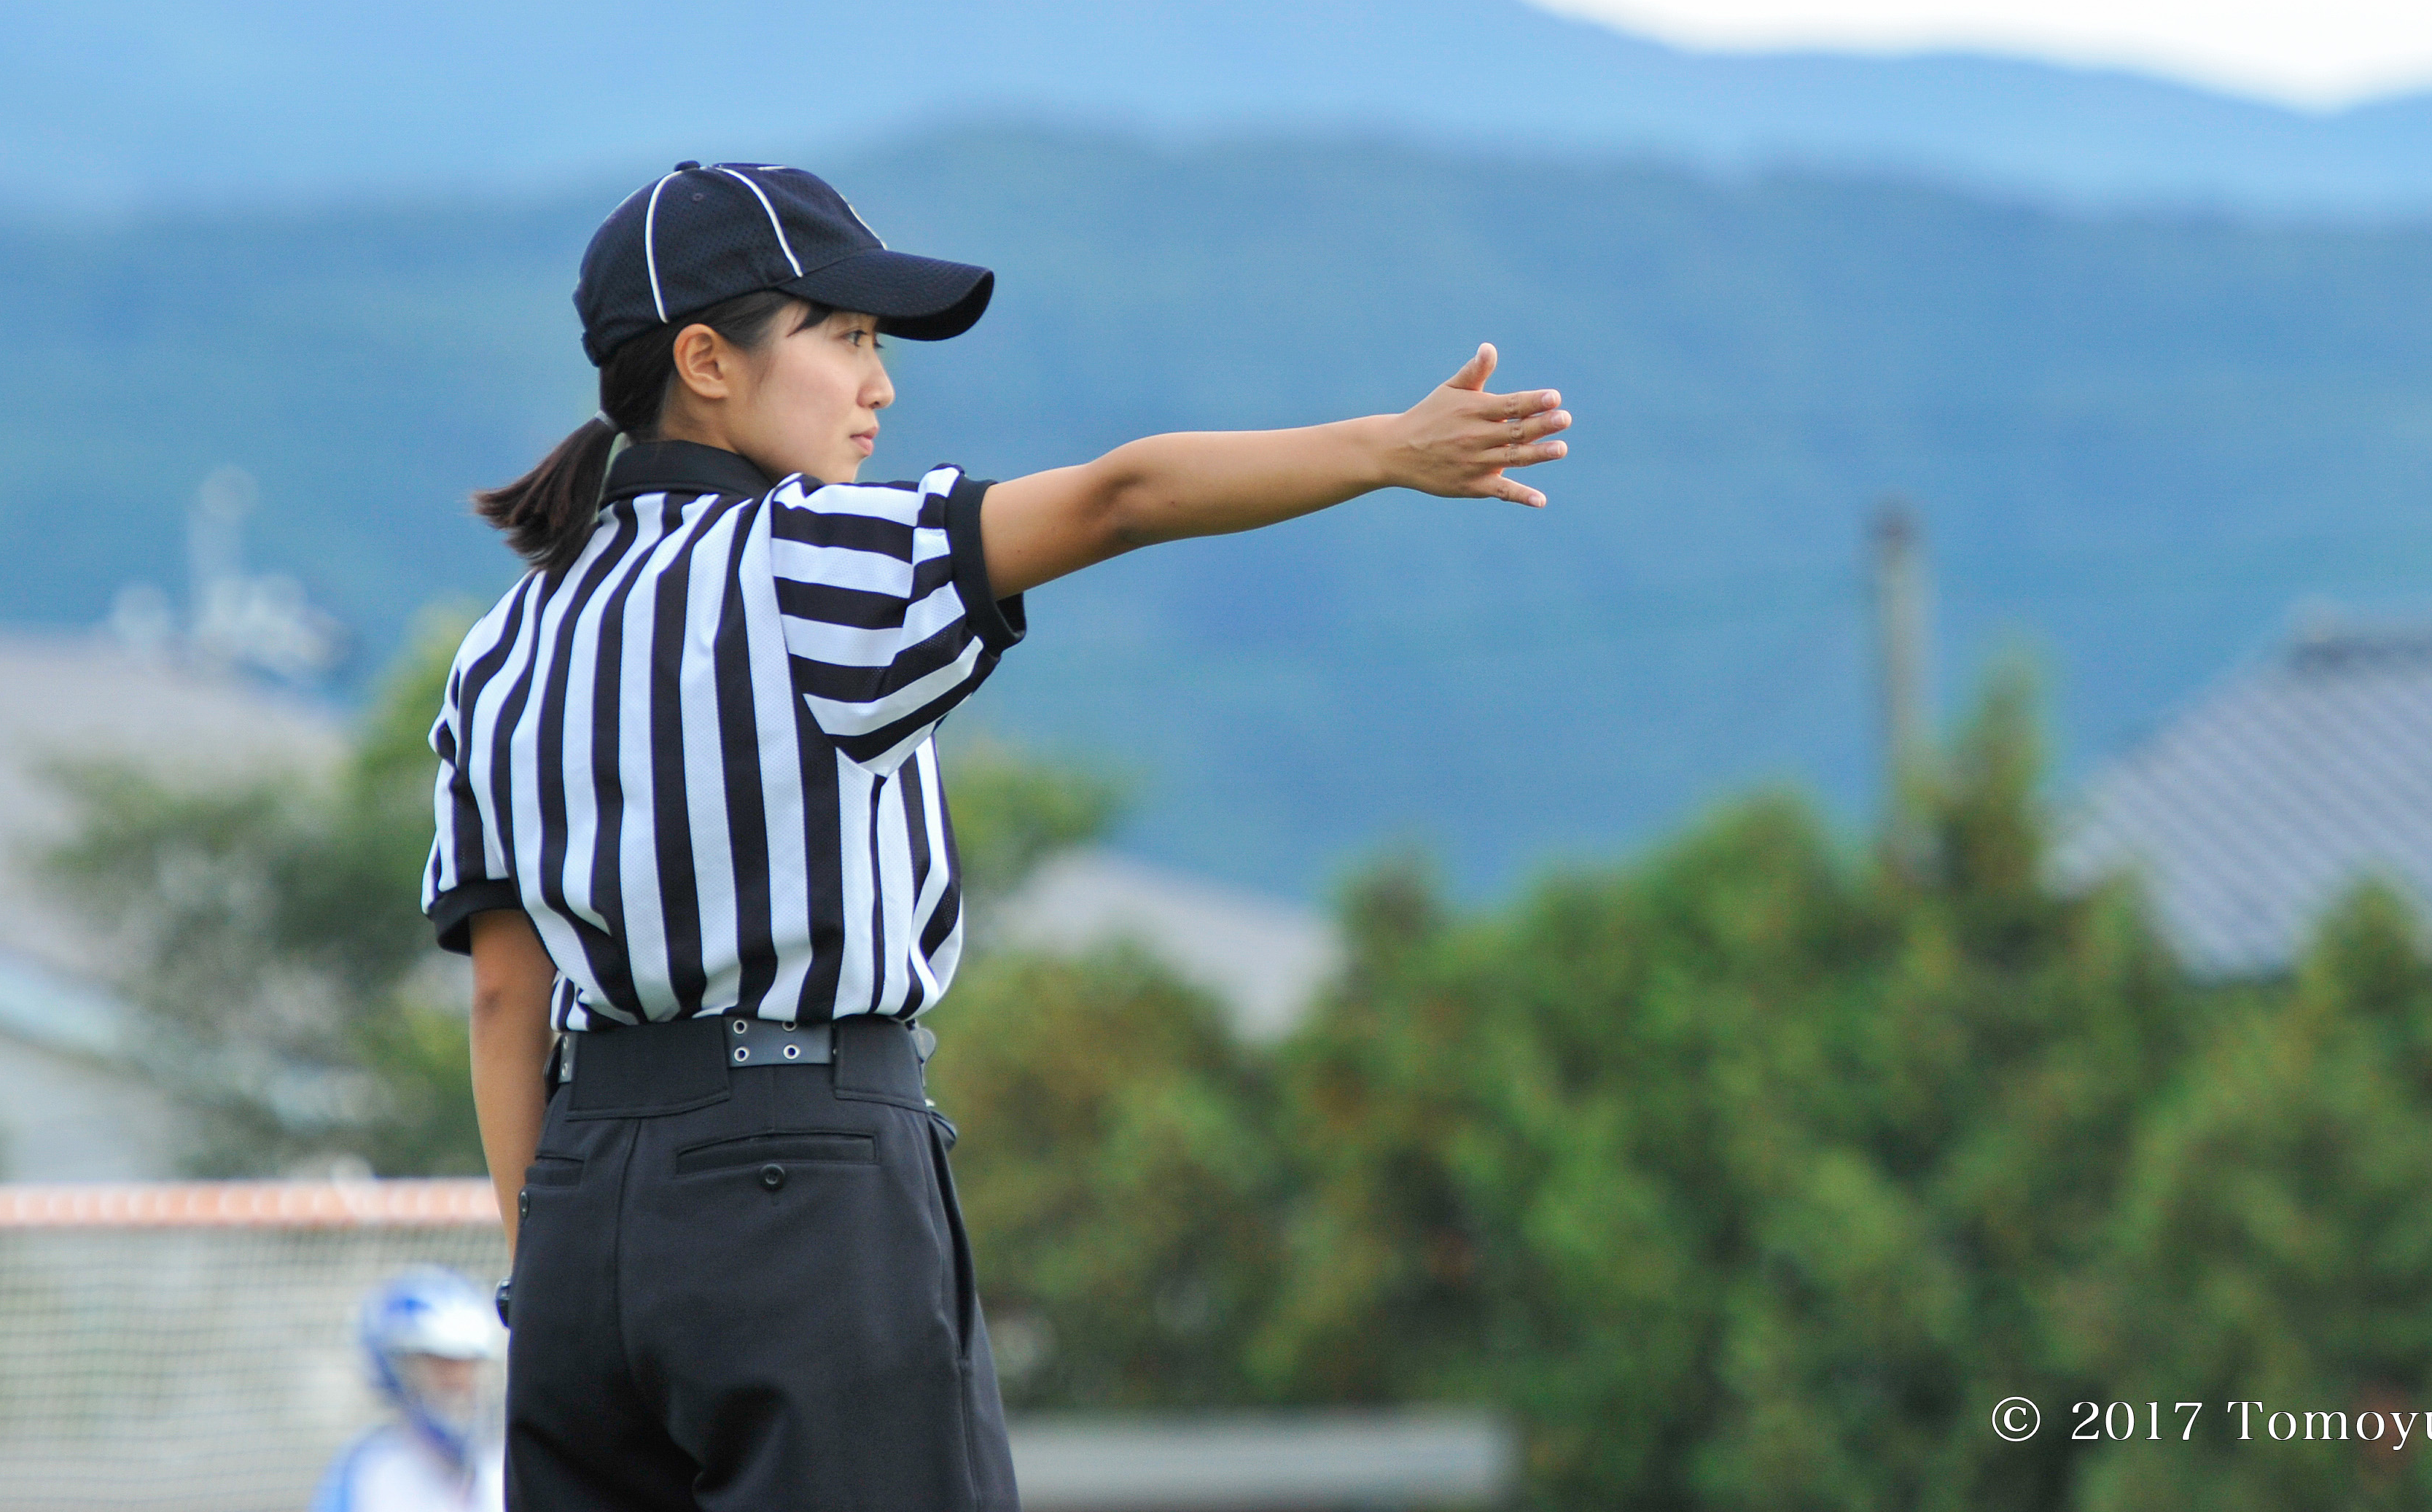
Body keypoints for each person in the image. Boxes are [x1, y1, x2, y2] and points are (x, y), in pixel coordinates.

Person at [421, 161, 1572, 1511]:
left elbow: (507, 995)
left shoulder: (504, 647)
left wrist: (545, 1272)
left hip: (579, 1217)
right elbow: (1121, 497)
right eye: (843, 335)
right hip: (801, 1171)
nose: (880, 382)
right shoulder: (804, 557)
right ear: (704, 360)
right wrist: (1383, 448)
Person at [311, 1266, 504, 1512]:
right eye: (441, 1365)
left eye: (469, 1365)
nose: (460, 1383)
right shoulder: (371, 1472)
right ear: (398, 1371)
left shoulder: (503, 1466)